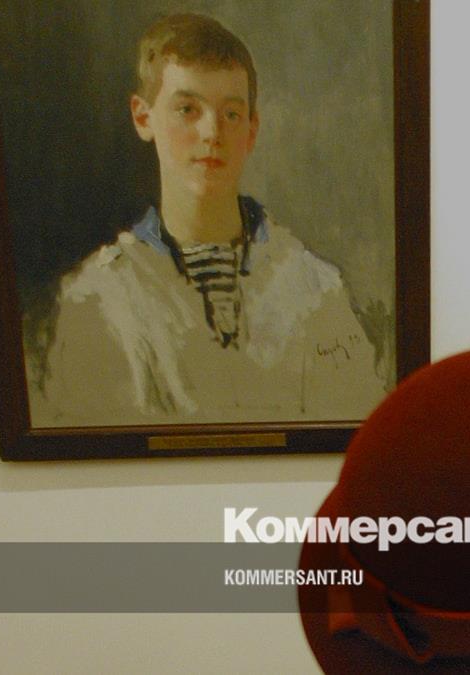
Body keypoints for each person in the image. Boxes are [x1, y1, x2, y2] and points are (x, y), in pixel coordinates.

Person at [29, 13, 386, 426]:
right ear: (143, 118)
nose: (212, 132)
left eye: (231, 114)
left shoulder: (317, 290)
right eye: (187, 109)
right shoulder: (96, 299)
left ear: (252, 129)